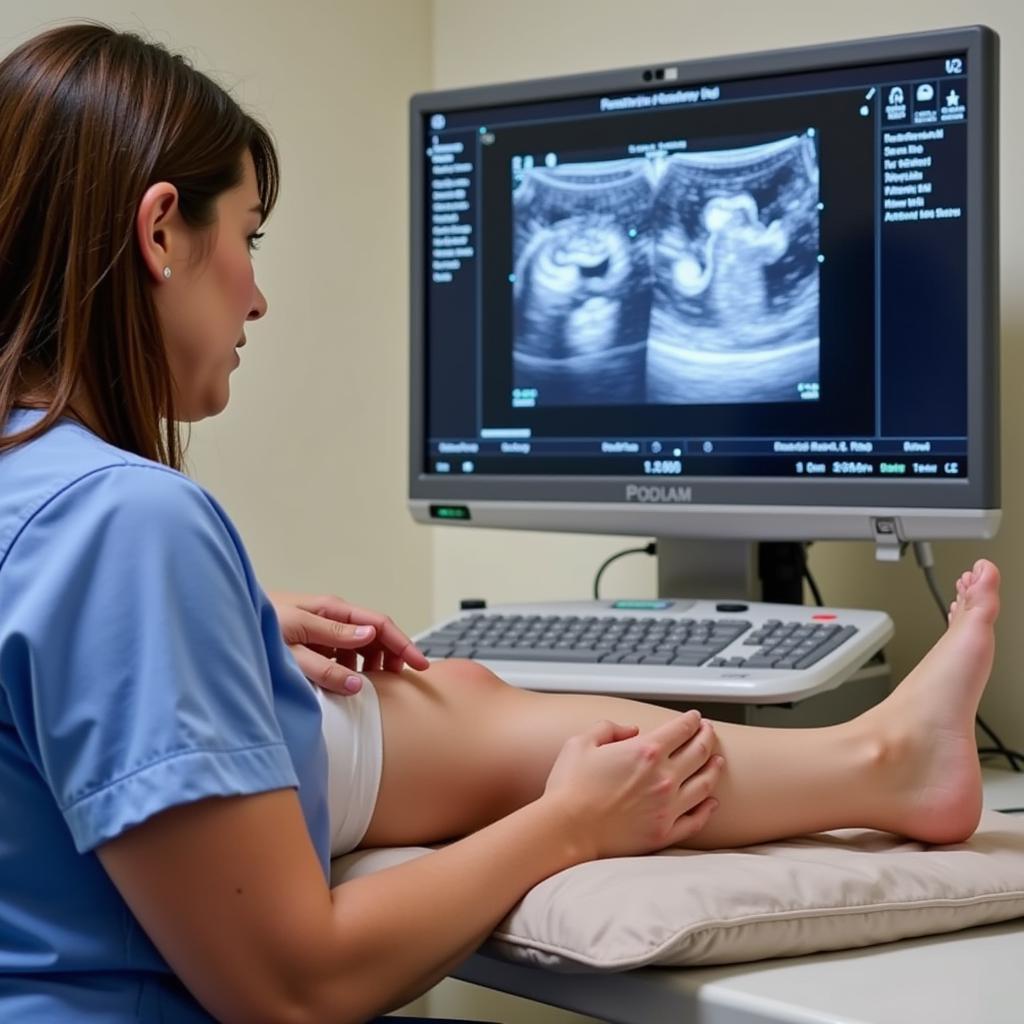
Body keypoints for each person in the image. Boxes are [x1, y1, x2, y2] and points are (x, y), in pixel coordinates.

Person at [0, 23, 1001, 1024]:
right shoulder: (127, 526)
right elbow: (294, 989)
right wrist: (570, 825)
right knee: (462, 714)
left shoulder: (45, 495)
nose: (256, 297)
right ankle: (883, 762)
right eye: (249, 237)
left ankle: (885, 758)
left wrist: (226, 617)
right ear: (161, 229)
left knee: (452, 696)